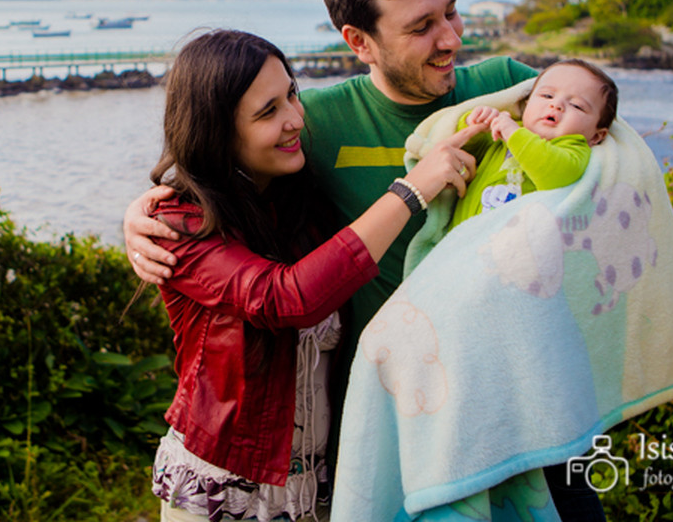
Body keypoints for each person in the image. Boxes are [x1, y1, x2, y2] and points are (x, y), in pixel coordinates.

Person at [126, 0, 603, 520]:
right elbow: (217, 166)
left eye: (452, 13)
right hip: (382, 425)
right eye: (422, 27)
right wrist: (144, 210)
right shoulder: (315, 126)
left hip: (525, 398)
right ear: (359, 40)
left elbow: (603, 142)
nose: (452, 38)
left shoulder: (512, 91)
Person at [143, 28, 479, 522]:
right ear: (217, 132)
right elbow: (285, 299)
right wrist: (412, 190)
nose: (295, 119)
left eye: (292, 95)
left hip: (315, 489)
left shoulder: (302, 202)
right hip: (222, 494)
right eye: (268, 112)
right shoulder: (182, 224)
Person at [451, 59, 618, 226]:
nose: (556, 105)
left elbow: (557, 174)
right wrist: (475, 123)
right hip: (462, 239)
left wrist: (513, 134)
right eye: (547, 96)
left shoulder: (573, 147)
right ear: (527, 103)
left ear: (596, 136)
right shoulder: (504, 129)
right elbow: (465, 150)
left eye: (576, 106)